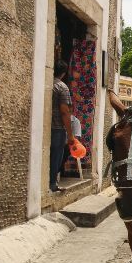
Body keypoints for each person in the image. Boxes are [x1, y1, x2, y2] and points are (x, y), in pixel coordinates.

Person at [50, 61, 76, 192]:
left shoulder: (48, 83)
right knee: (57, 155)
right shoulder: (62, 87)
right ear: (64, 73)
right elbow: (65, 111)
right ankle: (52, 184)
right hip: (57, 127)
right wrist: (70, 135)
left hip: (47, 126)